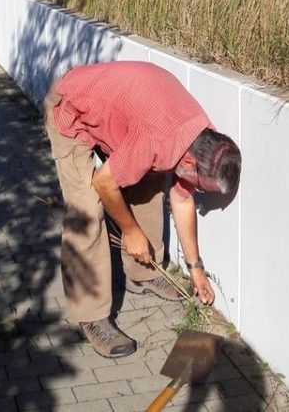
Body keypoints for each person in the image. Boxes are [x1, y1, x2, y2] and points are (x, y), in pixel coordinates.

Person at [43, 61, 241, 359]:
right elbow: (104, 183)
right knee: (86, 213)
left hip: (121, 115)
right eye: (202, 187)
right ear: (189, 163)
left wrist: (196, 269)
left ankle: (142, 274)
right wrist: (130, 231)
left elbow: (183, 198)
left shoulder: (207, 142)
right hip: (71, 109)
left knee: (150, 186)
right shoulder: (157, 141)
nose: (200, 197)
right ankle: (91, 315)